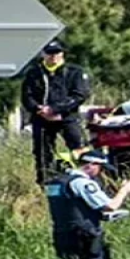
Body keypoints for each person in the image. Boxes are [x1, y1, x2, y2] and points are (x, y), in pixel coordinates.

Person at [44, 150, 130, 259]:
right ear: (90, 165)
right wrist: (124, 190)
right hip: (84, 234)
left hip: (61, 233)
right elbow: (110, 206)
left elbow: (70, 207)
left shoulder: (56, 183)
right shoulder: (82, 183)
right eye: (100, 168)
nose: (100, 173)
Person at [21, 40, 92, 184]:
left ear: (62, 54)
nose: (53, 56)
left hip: (67, 117)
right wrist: (39, 109)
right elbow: (26, 96)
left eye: (56, 53)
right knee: (42, 153)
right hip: (41, 118)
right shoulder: (34, 73)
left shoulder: (74, 72)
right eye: (49, 53)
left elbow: (79, 95)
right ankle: (45, 183)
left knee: (79, 148)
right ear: (43, 54)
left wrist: (55, 109)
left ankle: (87, 179)